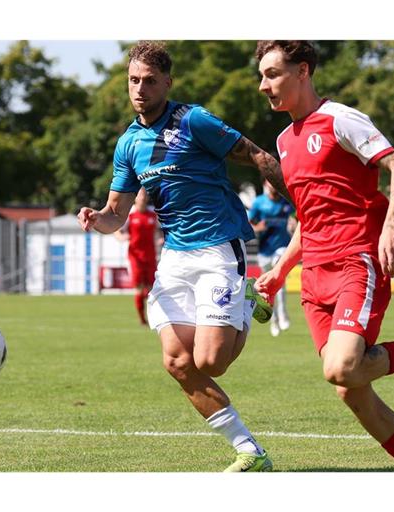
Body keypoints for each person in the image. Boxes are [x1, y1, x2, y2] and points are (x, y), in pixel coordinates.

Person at [77, 41, 291, 472]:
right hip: (175, 257)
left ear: (167, 84)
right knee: (177, 361)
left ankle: (249, 298)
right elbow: (116, 213)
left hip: (217, 246)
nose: (140, 89)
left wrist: (304, 206)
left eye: (150, 81)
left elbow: (258, 156)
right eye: (134, 80)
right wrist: (95, 217)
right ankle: (250, 451)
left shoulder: (194, 121)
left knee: (212, 362)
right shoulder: (128, 144)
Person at [254, 40, 394, 472]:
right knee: (350, 387)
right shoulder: (284, 142)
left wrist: (390, 230)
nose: (263, 85)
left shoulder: (341, 119)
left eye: (272, 73)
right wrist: (279, 271)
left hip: (356, 262)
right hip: (314, 277)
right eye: (262, 75)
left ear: (303, 71)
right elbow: (310, 219)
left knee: (343, 368)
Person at [248, 179, 294, 337]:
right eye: (270, 184)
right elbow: (249, 222)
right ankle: (273, 320)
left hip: (281, 248)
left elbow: (296, 217)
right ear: (266, 185)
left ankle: (282, 314)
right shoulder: (259, 203)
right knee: (268, 288)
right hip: (264, 251)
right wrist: (257, 228)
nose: (274, 187)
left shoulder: (286, 201)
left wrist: (293, 224)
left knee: (278, 276)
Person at [114, 188, 162, 325]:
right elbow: (117, 230)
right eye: (139, 195)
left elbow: (159, 232)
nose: (142, 198)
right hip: (135, 256)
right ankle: (142, 319)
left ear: (146, 198)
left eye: (143, 195)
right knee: (139, 288)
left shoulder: (153, 214)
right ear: (135, 198)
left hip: (151, 255)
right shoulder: (130, 214)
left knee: (152, 288)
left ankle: (153, 316)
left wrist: (160, 239)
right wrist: (121, 236)